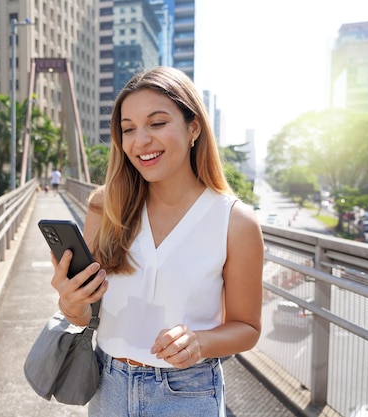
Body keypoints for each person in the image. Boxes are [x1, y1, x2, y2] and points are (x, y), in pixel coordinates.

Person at [49, 67, 264, 416]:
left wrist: (200, 341)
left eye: (157, 123)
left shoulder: (235, 221)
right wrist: (70, 302)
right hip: (107, 385)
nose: (140, 140)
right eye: (128, 129)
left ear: (193, 127)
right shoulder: (105, 207)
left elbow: (248, 327)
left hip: (188, 392)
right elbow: (83, 316)